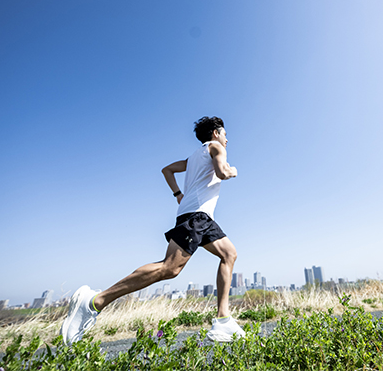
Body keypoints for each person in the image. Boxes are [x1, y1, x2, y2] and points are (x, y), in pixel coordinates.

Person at [61, 116, 245, 344]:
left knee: (229, 254)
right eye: (225, 133)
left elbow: (167, 170)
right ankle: (95, 301)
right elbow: (222, 173)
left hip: (201, 215)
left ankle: (223, 319)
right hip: (197, 215)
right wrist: (233, 170)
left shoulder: (194, 157)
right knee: (170, 268)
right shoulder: (216, 147)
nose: (227, 139)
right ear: (216, 133)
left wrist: (178, 194)